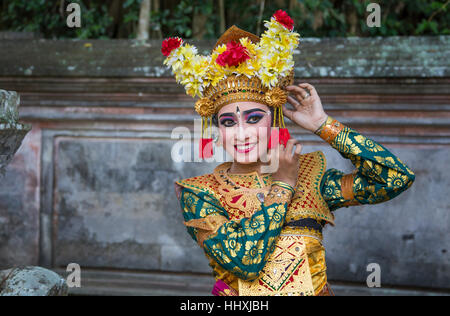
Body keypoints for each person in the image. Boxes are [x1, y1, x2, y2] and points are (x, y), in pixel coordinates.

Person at [161, 10, 415, 296]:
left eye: (254, 118)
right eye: (229, 122)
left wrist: (324, 125)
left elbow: (395, 179)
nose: (242, 132)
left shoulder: (311, 176)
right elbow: (246, 262)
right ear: (218, 132)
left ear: (275, 120)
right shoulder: (200, 193)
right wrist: (283, 184)